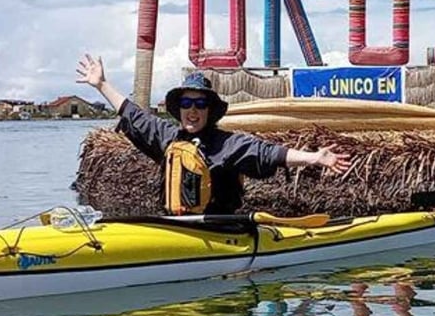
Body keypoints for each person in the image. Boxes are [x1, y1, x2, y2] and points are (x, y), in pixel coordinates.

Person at [76, 53, 350, 215]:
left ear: (210, 110)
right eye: (186, 103)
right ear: (179, 109)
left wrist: (315, 158)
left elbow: (269, 153)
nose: (192, 110)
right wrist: (101, 85)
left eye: (200, 104)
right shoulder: (168, 137)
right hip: (177, 226)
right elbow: (133, 115)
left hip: (221, 230)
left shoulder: (227, 144)